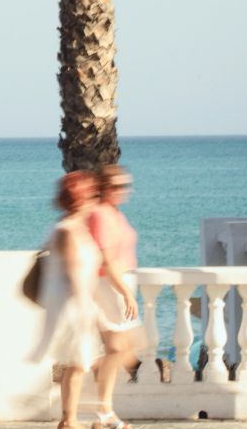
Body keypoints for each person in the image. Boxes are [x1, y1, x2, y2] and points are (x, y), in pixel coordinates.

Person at [31, 170, 101, 429]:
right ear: (80, 199)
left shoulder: (71, 228)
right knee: (79, 363)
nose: (95, 199)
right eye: (92, 194)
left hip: (74, 305)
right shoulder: (69, 231)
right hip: (73, 306)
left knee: (79, 364)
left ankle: (71, 418)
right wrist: (88, 310)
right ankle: (70, 420)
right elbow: (74, 274)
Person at [88, 164, 141, 429]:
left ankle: (103, 412)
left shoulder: (115, 214)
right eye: (116, 186)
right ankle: (104, 412)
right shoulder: (100, 214)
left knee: (124, 349)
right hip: (110, 286)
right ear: (103, 187)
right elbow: (107, 261)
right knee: (117, 348)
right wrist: (127, 293)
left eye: (125, 186)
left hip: (120, 282)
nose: (122, 191)